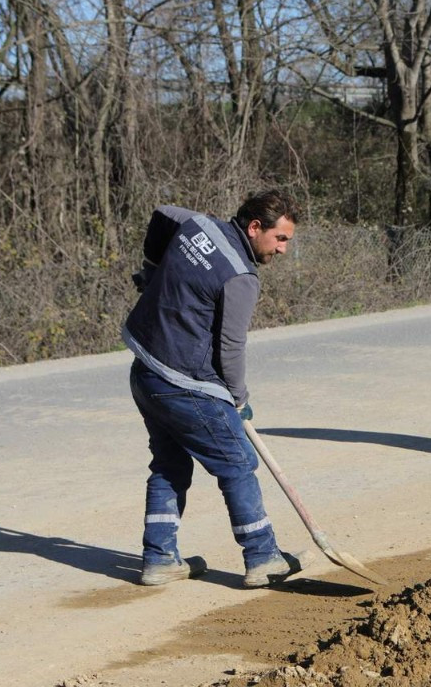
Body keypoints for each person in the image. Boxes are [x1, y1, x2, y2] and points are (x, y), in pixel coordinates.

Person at [123, 189, 308, 587]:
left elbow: (161, 212)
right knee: (238, 463)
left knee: (169, 465)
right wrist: (238, 398)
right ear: (255, 227)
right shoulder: (240, 276)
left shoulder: (199, 226)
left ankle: (159, 558)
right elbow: (230, 347)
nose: (283, 250)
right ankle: (262, 556)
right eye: (281, 238)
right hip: (184, 383)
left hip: (146, 373)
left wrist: (151, 268)